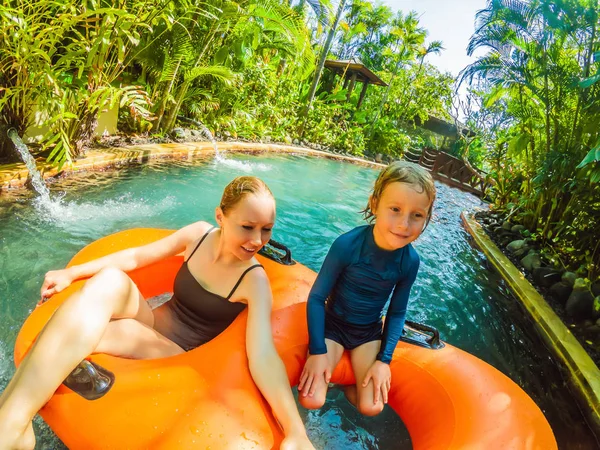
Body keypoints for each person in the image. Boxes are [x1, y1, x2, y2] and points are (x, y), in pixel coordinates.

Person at [0, 176, 314, 450]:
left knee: (80, 335)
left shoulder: (254, 280)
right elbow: (138, 256)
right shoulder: (198, 236)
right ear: (221, 216)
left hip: (177, 352)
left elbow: (262, 356)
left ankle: (11, 422)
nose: (257, 240)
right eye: (247, 227)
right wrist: (72, 273)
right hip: (151, 320)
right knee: (110, 281)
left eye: (266, 230)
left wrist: (295, 431)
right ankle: (12, 422)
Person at [298, 161, 435, 417]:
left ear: (426, 217)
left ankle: (347, 384)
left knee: (371, 407)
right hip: (333, 326)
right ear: (375, 204)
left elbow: (396, 313)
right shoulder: (348, 245)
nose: (404, 224)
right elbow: (317, 298)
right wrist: (317, 351)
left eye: (417, 215)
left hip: (367, 333)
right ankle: (336, 378)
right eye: (395, 209)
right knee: (311, 399)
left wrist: (384, 361)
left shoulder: (410, 261)